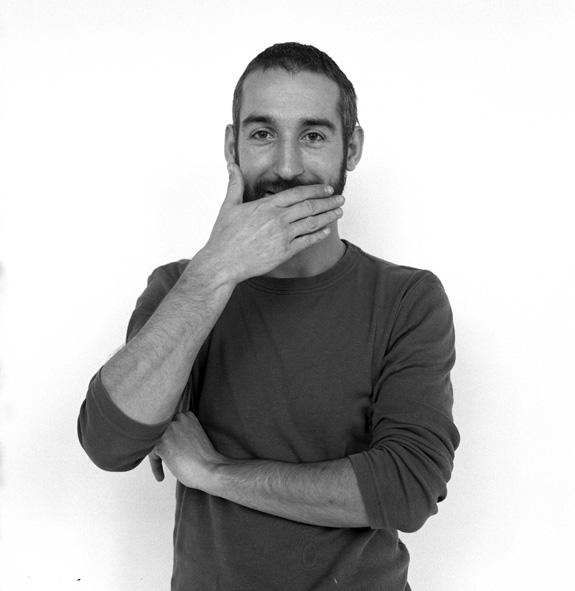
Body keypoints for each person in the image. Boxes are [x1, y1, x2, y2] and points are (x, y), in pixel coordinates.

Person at [77, 42, 460, 590]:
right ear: (231, 146)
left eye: (313, 136)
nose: (286, 166)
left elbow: (407, 487)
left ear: (351, 148)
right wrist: (214, 271)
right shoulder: (182, 289)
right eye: (262, 134)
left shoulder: (408, 299)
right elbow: (109, 445)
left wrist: (214, 473)